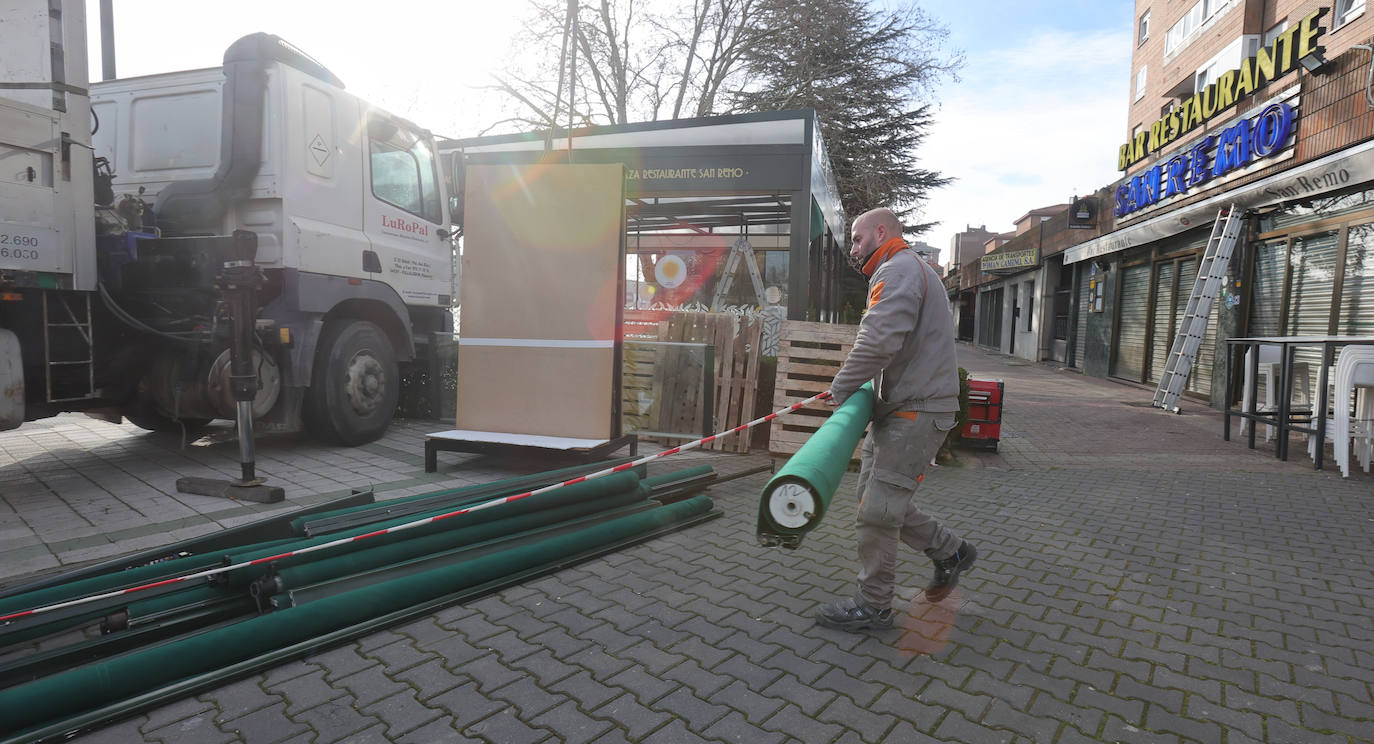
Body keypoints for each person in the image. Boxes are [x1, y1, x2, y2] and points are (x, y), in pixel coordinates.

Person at [815, 207, 976, 632]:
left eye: (857, 238)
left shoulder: (897, 271)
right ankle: (951, 551)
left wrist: (840, 389)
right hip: (903, 409)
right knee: (878, 503)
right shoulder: (904, 269)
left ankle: (874, 605)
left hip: (915, 411)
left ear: (880, 232)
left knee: (878, 511)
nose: (853, 248)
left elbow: (878, 341)